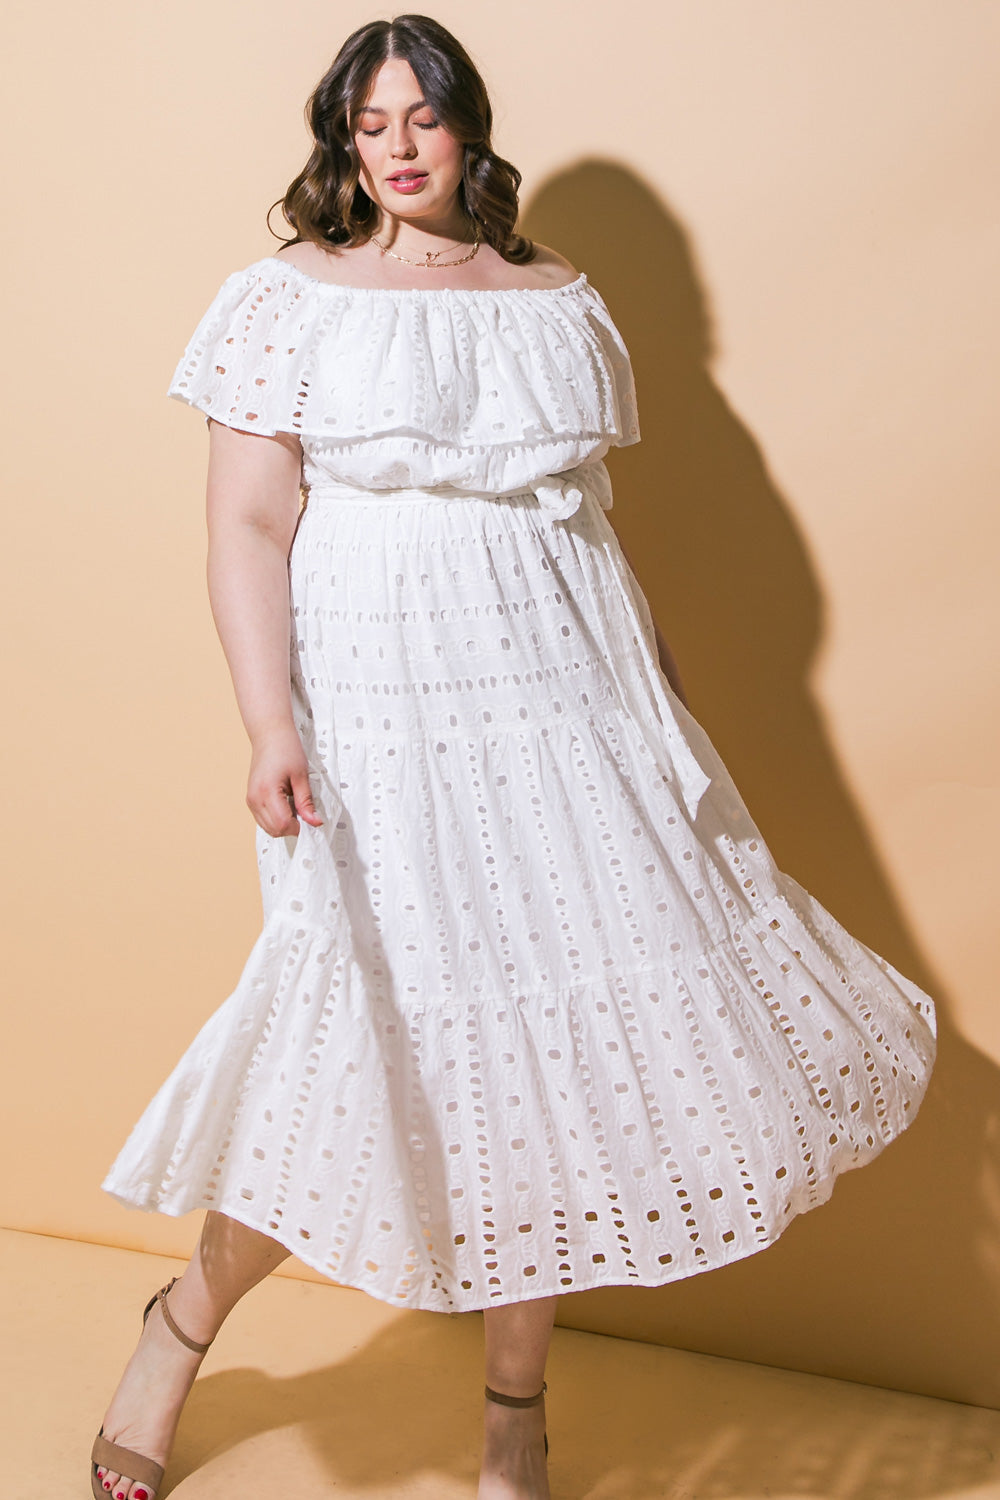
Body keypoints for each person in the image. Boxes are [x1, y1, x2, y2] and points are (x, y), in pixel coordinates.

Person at [91, 14, 937, 1500]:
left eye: (425, 116)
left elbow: (592, 536)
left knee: (548, 1061)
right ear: (342, 143)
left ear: (471, 128)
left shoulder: (555, 300)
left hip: (569, 705)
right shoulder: (289, 299)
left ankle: (512, 1409)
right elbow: (245, 522)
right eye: (372, 122)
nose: (401, 144)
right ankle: (178, 1329)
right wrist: (269, 721)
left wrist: (662, 720)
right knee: (345, 1037)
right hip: (381, 710)